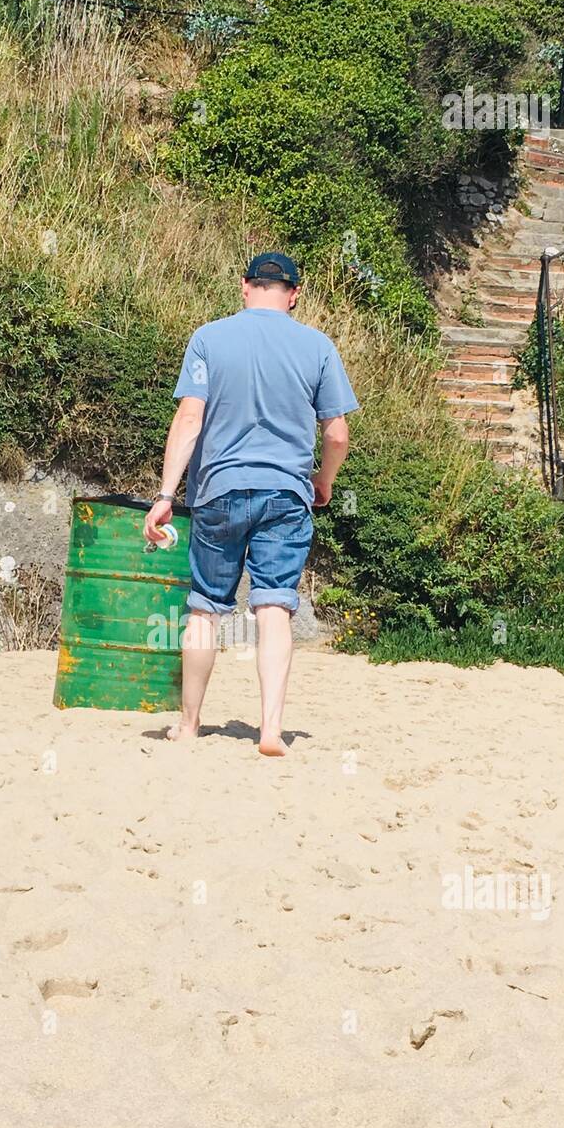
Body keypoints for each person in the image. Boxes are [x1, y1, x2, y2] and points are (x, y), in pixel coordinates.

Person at [143, 252, 359, 756]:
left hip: (218, 490)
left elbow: (189, 421)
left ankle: (190, 725)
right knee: (273, 607)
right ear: (294, 293)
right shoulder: (317, 346)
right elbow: (338, 434)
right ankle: (269, 731)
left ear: (245, 286)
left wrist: (164, 496)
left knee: (204, 609)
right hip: (286, 493)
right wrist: (322, 483)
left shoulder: (209, 338)